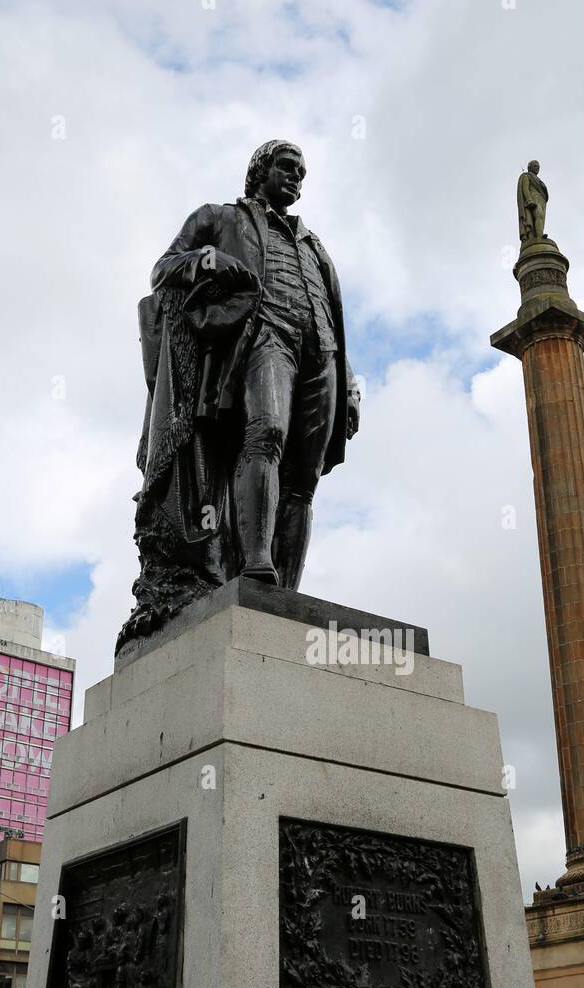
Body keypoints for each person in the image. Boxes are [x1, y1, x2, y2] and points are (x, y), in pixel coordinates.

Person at [117, 139, 361, 650]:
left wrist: (351, 382)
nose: (296, 178)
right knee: (265, 432)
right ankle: (255, 565)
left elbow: (335, 321)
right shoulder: (220, 217)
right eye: (286, 168)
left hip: (320, 355)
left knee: (305, 478)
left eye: (302, 172)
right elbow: (164, 268)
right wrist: (208, 261)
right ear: (260, 172)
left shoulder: (316, 247)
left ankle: (284, 596)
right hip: (261, 334)